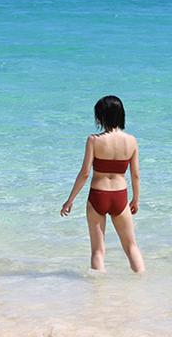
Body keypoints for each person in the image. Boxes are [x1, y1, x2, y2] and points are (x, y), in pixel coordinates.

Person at [61, 95, 145, 273]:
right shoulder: (131, 141)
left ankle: (98, 293)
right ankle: (142, 287)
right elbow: (135, 175)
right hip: (120, 196)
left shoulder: (94, 140)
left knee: (98, 251)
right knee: (131, 248)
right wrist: (135, 199)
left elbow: (84, 173)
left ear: (101, 117)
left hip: (98, 195)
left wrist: (70, 200)